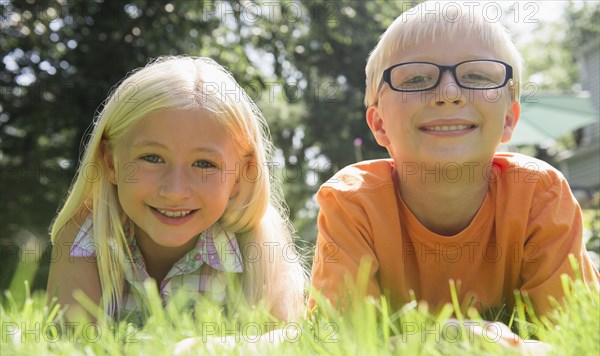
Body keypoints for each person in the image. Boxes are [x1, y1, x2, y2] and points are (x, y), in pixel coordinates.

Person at [310, 2, 599, 322]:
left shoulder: (539, 194)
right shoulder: (353, 203)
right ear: (379, 124)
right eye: (417, 79)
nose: (449, 92)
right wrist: (458, 342)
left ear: (507, 119)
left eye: (476, 76)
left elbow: (568, 343)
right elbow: (345, 347)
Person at [47, 56, 306, 323]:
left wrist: (216, 349)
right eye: (152, 158)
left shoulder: (259, 241)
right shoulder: (86, 236)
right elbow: (72, 342)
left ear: (241, 175)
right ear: (110, 161)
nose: (175, 190)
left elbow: (287, 338)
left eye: (204, 164)